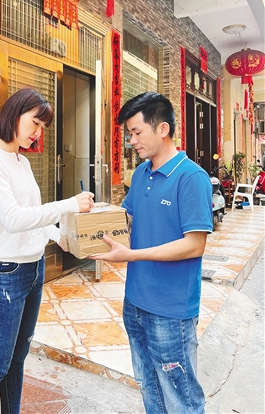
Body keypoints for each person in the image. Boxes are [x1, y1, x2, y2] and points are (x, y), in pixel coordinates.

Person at [0, 87, 94, 414]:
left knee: (17, 360)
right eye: (35, 123)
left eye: (42, 127)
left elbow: (31, 216)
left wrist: (59, 236)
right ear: (15, 114)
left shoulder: (22, 162)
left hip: (33, 269)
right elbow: (13, 219)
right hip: (3, 273)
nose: (38, 133)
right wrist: (69, 204)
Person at [91, 92, 212, 414]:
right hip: (135, 302)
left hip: (170, 312)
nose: (132, 141)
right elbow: (127, 218)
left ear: (162, 129)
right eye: (129, 134)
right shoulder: (141, 173)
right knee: (150, 389)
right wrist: (85, 224)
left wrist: (131, 255)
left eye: (136, 132)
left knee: (181, 399)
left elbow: (194, 244)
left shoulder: (191, 177)